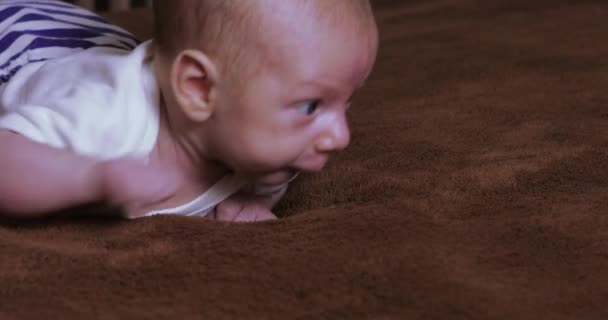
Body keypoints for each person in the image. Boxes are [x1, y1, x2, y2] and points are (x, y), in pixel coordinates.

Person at [0, 0, 378, 222]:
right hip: (21, 40)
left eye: (346, 102)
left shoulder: (273, 154)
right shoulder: (105, 118)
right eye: (311, 106)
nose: (340, 136)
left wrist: (243, 205)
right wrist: (89, 176)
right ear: (198, 89)